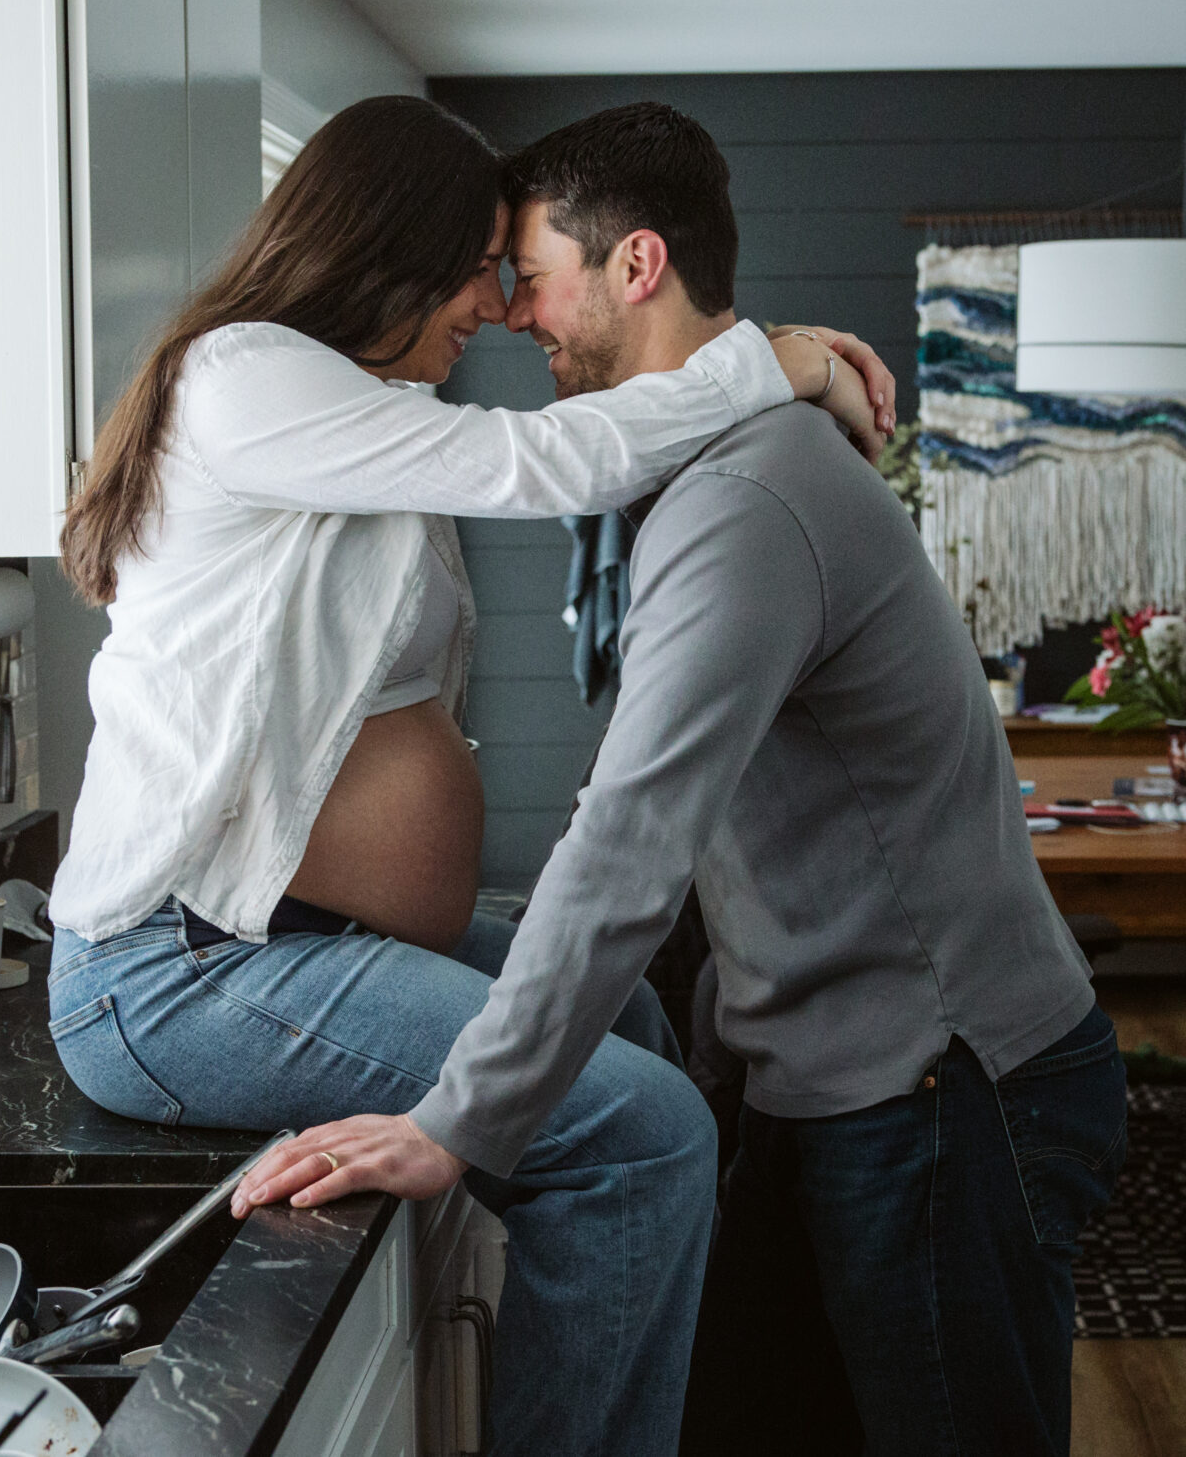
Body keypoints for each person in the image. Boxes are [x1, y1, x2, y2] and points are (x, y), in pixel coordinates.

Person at [244, 103, 1128, 1457]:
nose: (510, 313)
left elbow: (635, 834)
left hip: (944, 1088)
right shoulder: (705, 474)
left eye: (529, 276)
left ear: (636, 265)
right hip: (835, 1081)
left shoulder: (746, 502)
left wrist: (462, 1120)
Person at [41, 94, 895, 1457]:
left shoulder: (340, 405)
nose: (498, 308)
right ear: (386, 249)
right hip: (182, 967)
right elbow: (541, 462)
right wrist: (768, 362)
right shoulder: (245, 375)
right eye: (479, 266)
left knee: (631, 1029)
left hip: (292, 939)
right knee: (646, 1135)